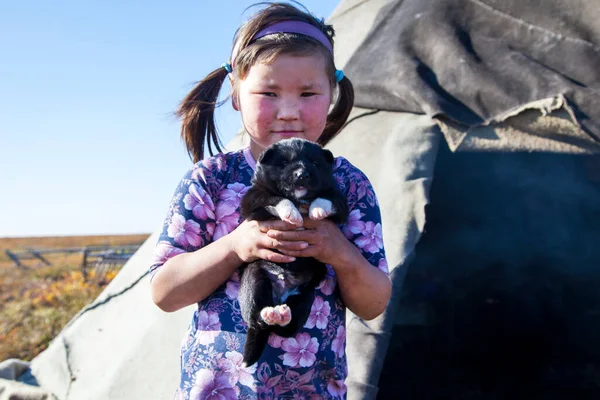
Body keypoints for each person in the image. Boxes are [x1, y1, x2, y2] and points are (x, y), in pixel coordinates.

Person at [149, 3, 392, 399]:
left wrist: (339, 251)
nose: (289, 111)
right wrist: (234, 245)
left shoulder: (348, 184)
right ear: (237, 95)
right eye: (268, 92)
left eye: (309, 92)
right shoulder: (211, 180)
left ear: (332, 94)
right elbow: (164, 293)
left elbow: (373, 303)